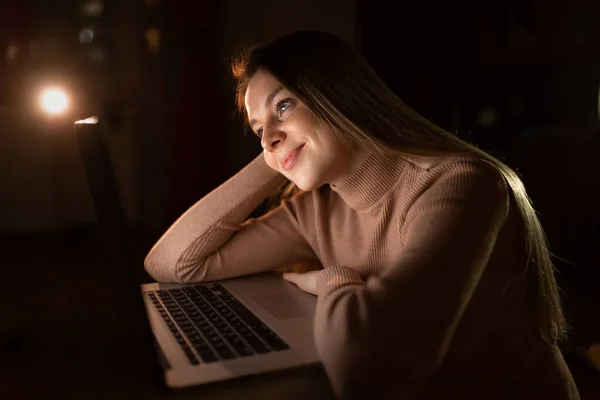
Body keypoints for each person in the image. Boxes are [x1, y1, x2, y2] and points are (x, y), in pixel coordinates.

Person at [144, 30, 580, 399]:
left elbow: (372, 369)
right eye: (257, 129)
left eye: (283, 105)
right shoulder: (313, 208)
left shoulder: (462, 183)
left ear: (340, 96)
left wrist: (332, 278)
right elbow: (172, 264)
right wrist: (276, 152)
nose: (267, 137)